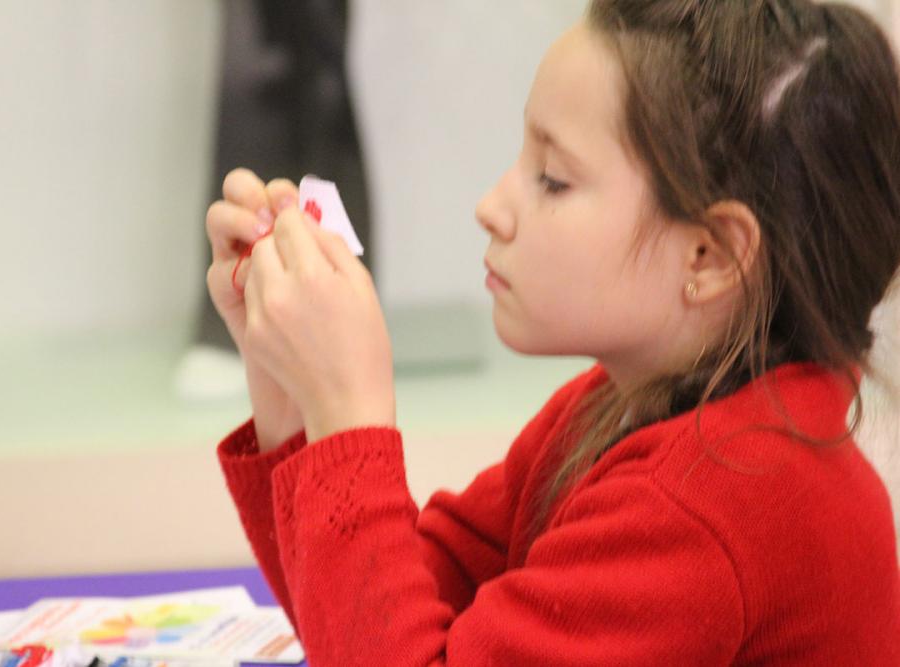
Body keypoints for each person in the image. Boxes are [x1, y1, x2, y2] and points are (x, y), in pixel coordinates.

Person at [204, 0, 900, 663]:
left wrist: (347, 415)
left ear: (709, 255)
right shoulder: (618, 406)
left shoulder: (712, 499)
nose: (492, 207)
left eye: (553, 179)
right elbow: (369, 616)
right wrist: (290, 388)